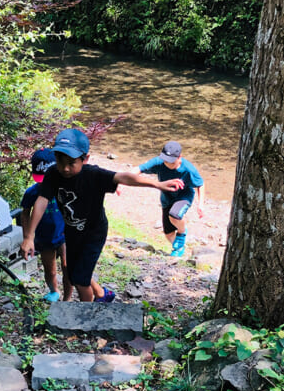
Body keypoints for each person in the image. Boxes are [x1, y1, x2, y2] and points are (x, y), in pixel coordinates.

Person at [21, 129, 184, 302]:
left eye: (71, 163)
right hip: (72, 232)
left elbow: (124, 177)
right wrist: (29, 236)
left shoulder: (93, 175)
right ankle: (101, 295)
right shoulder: (54, 174)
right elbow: (41, 200)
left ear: (86, 159)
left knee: (81, 281)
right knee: (74, 272)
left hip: (94, 233)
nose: (65, 168)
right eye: (60, 162)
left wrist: (157, 184)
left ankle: (87, 319)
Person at [20, 149, 71, 302]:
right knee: (50, 269)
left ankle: (67, 299)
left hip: (65, 234)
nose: (44, 183)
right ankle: (54, 291)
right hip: (43, 236)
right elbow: (24, 213)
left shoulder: (64, 188)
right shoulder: (32, 192)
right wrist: (27, 237)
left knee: (68, 266)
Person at [139, 141, 204, 257]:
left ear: (180, 157)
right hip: (166, 198)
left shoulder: (188, 169)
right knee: (168, 233)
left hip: (183, 196)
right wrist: (119, 181)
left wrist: (200, 204)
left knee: (174, 215)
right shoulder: (159, 162)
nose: (167, 163)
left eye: (171, 161)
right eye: (165, 160)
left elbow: (200, 184)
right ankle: (178, 248)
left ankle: (182, 232)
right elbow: (139, 169)